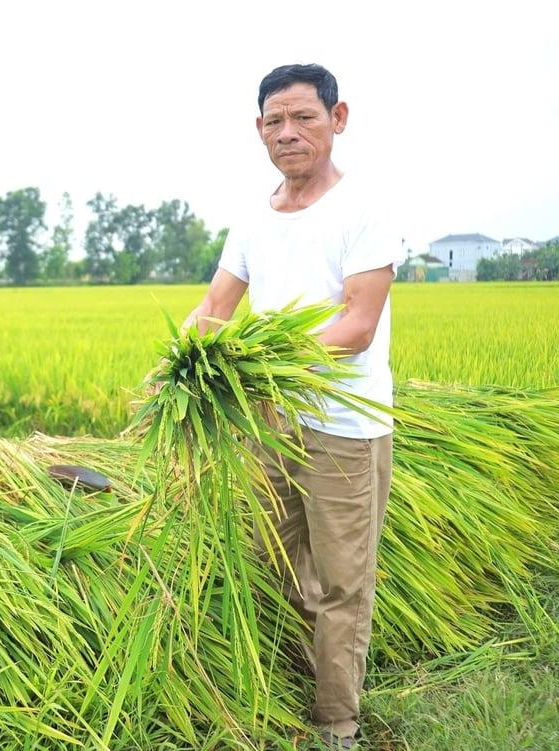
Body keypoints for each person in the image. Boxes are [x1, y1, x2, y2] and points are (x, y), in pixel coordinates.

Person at [180, 63, 404, 749]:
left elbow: (357, 325)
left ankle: (337, 722)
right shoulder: (253, 215)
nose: (288, 132)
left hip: (345, 426)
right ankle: (303, 677)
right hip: (269, 424)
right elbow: (217, 308)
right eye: (274, 120)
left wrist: (268, 362)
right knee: (274, 559)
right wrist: (180, 358)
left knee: (342, 581)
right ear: (259, 130)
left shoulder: (365, 210)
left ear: (337, 120)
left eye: (304, 117)